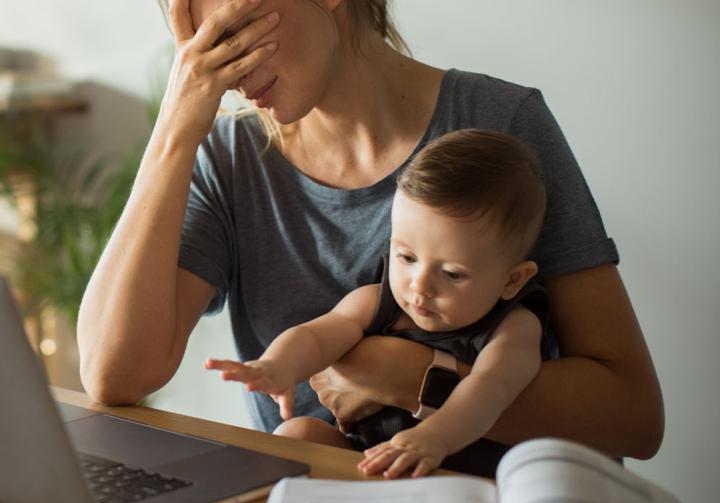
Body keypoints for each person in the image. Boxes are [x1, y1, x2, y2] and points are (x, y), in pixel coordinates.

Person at [76, 0, 663, 464]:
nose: (224, 74)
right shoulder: (229, 158)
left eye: (234, 35)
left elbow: (632, 417)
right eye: (197, 49)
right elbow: (114, 375)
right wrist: (175, 128)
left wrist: (406, 374)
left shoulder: (500, 125)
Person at [206, 129, 555, 478]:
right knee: (296, 434)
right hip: (370, 461)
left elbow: (490, 390)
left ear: (512, 280)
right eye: (406, 256)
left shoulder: (514, 327)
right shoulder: (378, 301)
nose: (420, 285)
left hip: (455, 475)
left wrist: (432, 438)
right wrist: (277, 366)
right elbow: (317, 335)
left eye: (452, 274)